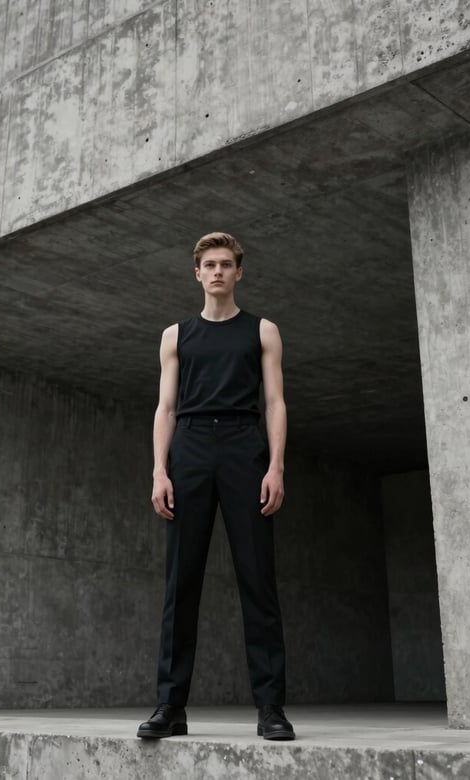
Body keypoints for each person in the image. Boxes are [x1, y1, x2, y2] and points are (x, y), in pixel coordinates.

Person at [137, 232, 294, 741]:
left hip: (245, 447)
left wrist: (276, 467)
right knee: (181, 583)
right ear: (198, 273)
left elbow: (275, 403)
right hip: (191, 447)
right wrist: (160, 471)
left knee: (257, 579)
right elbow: (165, 407)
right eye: (210, 264)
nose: (219, 271)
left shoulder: (262, 331)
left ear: (239, 272)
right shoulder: (175, 335)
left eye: (227, 264)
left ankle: (271, 708)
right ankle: (170, 707)